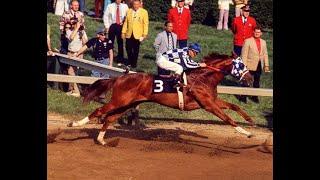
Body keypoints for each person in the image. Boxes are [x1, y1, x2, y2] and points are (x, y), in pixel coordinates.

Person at [241, 26, 270, 103]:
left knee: (256, 81)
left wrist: (266, 65)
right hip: (249, 65)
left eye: (258, 32)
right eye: (256, 32)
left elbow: (265, 54)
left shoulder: (263, 42)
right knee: (246, 81)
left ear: (261, 33)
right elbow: (244, 54)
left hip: (259, 65)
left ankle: (255, 96)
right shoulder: (247, 41)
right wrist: (244, 66)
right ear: (253, 32)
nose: (257, 33)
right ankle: (243, 97)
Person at [121, 0, 149, 69]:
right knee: (128, 48)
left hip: (138, 34)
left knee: (136, 49)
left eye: (137, 4)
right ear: (132, 5)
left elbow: (146, 24)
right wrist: (123, 32)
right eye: (134, 4)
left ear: (140, 4)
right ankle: (130, 61)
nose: (135, 6)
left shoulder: (144, 12)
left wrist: (144, 34)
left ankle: (134, 64)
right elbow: (126, 23)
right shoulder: (129, 11)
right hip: (129, 33)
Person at [66, 19, 88, 97]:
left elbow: (86, 43)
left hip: (78, 53)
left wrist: (82, 35)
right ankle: (73, 90)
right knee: (71, 71)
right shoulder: (69, 31)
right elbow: (71, 38)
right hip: (70, 52)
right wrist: (76, 28)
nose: (73, 24)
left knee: (71, 71)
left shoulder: (82, 32)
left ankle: (76, 91)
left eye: (75, 23)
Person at [103, 0, 128, 65]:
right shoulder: (110, 6)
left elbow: (127, 16)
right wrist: (107, 26)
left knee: (120, 43)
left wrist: (124, 23)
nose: (118, 0)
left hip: (121, 26)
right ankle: (109, 57)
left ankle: (120, 59)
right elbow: (105, 16)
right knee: (110, 42)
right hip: (112, 26)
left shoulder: (125, 6)